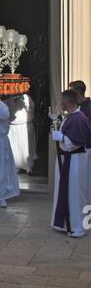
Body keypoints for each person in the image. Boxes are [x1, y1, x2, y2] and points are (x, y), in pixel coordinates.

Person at [51, 89, 91, 238]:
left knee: (75, 193)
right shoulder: (71, 117)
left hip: (75, 161)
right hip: (69, 160)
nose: (59, 103)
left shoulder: (78, 119)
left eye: (61, 100)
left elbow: (76, 143)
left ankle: (78, 228)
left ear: (66, 103)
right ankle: (65, 224)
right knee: (68, 192)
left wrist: (61, 138)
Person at [6, 94, 38, 175]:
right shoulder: (8, 98)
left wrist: (22, 100)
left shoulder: (26, 97)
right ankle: (15, 166)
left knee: (26, 147)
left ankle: (28, 167)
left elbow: (30, 107)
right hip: (13, 127)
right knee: (14, 148)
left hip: (24, 126)